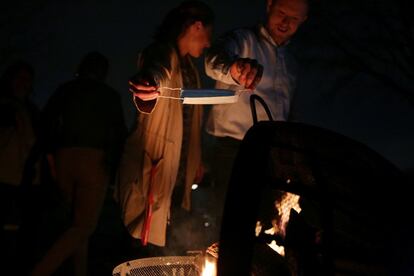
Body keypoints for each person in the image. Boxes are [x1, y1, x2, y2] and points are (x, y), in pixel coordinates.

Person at [114, 0, 214, 251]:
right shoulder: (162, 52)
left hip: (177, 173)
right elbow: (156, 72)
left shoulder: (190, 67)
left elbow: (188, 121)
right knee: (143, 248)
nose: (208, 43)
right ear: (197, 26)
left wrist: (195, 160)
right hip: (155, 165)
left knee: (169, 245)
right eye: (208, 35)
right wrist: (148, 85)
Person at [204, 0, 308, 233]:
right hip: (233, 151)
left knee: (266, 226)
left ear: (303, 20)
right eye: (282, 13)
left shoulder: (292, 62)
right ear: (269, 5)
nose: (285, 22)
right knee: (232, 224)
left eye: (293, 18)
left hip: (272, 156)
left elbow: (292, 111)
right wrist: (233, 68)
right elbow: (212, 60)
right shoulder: (243, 40)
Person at [31, 51, 127, 276]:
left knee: (76, 223)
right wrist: (113, 169)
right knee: (83, 226)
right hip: (94, 160)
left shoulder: (65, 90)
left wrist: (50, 157)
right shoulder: (109, 95)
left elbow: (46, 122)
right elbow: (119, 134)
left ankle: (78, 271)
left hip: (64, 157)